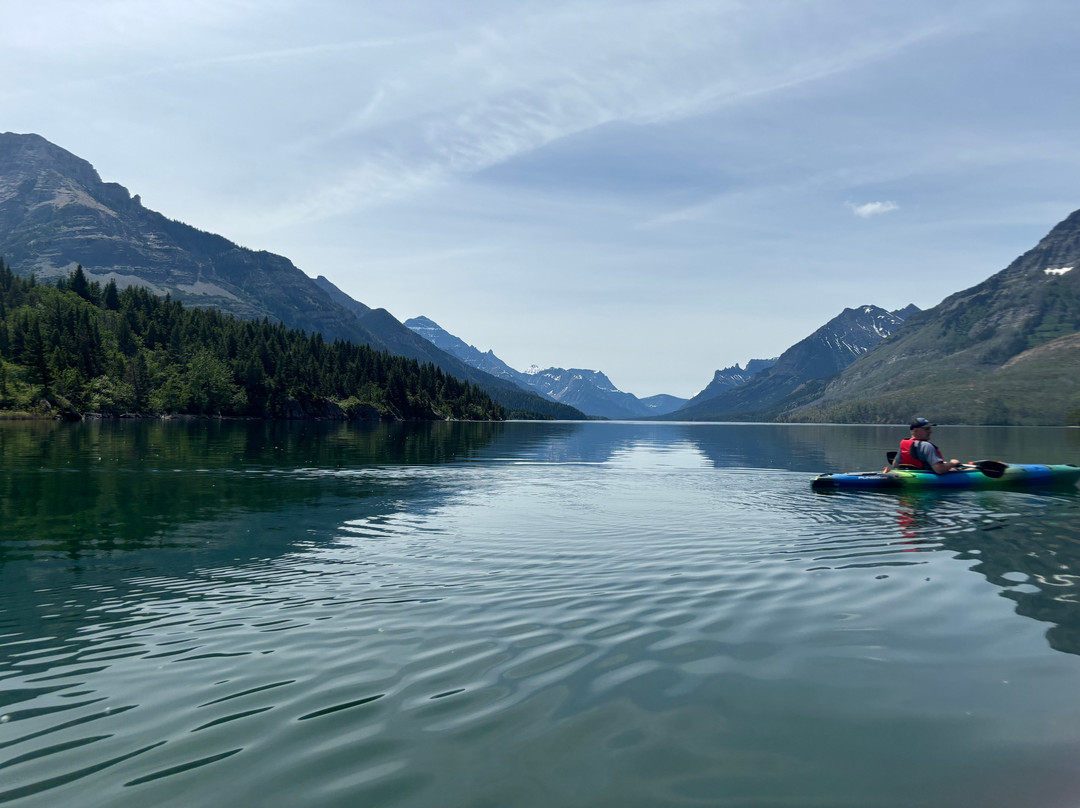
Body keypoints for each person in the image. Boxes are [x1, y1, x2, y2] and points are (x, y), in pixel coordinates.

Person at [895, 417, 963, 474]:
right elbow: (939, 470)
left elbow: (895, 464)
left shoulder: (904, 444)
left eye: (930, 428)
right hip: (924, 477)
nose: (930, 431)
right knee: (954, 469)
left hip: (910, 474)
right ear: (915, 431)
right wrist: (952, 463)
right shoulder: (927, 446)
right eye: (926, 429)